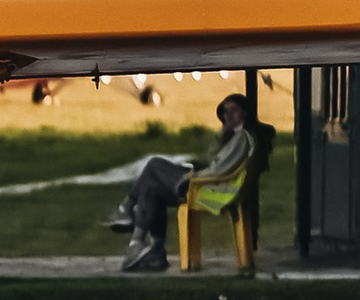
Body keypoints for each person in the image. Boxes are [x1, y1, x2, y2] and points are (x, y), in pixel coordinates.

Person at [110, 86, 267, 272]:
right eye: (225, 111)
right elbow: (214, 161)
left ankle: (127, 210)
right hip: (209, 186)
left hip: (209, 190)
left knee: (154, 164)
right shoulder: (235, 137)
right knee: (151, 189)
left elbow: (219, 170)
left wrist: (192, 176)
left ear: (245, 113)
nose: (228, 115)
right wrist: (221, 137)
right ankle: (149, 249)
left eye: (234, 110)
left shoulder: (242, 137)